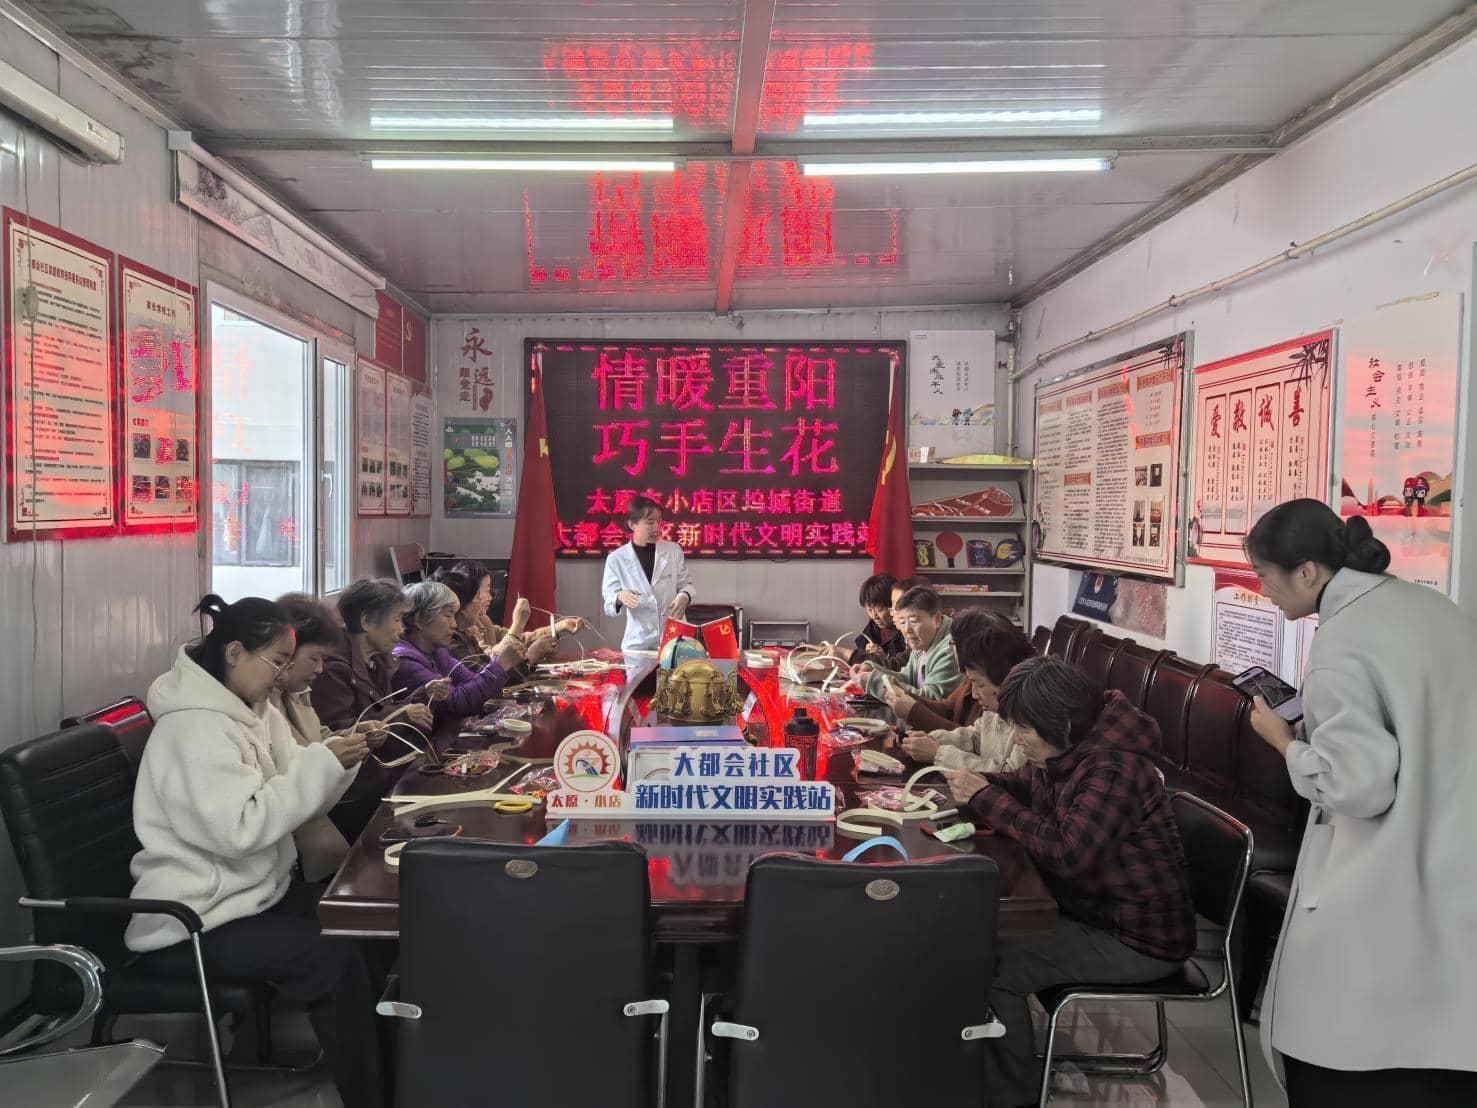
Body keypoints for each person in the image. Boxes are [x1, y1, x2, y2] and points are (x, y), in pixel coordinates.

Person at [1242, 499, 1477, 1105]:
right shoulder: (1429, 606)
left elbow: (1359, 787)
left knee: (1349, 1044)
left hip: (1384, 866)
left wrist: (1286, 743)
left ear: (1306, 572)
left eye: (1264, 575)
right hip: (1457, 852)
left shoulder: (1342, 641)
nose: (1263, 590)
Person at [126, 595, 390, 1108]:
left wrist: (339, 758)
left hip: (251, 894)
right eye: (277, 662)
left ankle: (396, 1066)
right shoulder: (192, 728)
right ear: (234, 653)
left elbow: (300, 799)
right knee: (332, 957)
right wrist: (321, 764)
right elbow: (240, 830)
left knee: (364, 924)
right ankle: (373, 1094)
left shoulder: (253, 710)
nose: (284, 675)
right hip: (194, 917)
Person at [942, 656, 1195, 1108]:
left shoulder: (1115, 769)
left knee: (993, 965)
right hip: (1095, 912)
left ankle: (1012, 1096)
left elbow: (1068, 852)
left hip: (1137, 938)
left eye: (1023, 729)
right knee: (976, 942)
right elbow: (1022, 786)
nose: (1017, 738)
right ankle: (980, 1069)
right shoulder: (1070, 748)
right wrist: (975, 788)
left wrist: (985, 798)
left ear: (1062, 724)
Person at [272, 594, 387, 877]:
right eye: (314, 658)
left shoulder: (296, 694)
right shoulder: (260, 706)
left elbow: (320, 737)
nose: (320, 669)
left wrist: (354, 734)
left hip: (318, 821)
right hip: (293, 844)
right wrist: (332, 755)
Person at [889, 609, 1033, 774]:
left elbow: (1009, 775)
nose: (974, 693)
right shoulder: (992, 702)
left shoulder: (1028, 716)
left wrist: (938, 753)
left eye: (978, 684)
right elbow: (976, 737)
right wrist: (933, 739)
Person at [392, 580, 523, 754]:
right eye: (448, 616)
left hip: (442, 742)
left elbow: (472, 683)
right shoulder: (404, 660)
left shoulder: (438, 651)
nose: (454, 624)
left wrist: (500, 667)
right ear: (419, 620)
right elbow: (458, 702)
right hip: (419, 755)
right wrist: (500, 664)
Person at [601, 495, 694, 652]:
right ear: (632, 524)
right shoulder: (616, 559)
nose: (657, 528)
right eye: (650, 523)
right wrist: (619, 597)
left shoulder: (673, 550)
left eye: (659, 522)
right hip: (638, 643)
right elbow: (609, 605)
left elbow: (686, 585)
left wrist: (684, 596)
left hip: (674, 639)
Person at [851, 585, 962, 702]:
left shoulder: (950, 648)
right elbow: (908, 678)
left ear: (937, 619)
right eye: (903, 622)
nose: (907, 630)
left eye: (914, 621)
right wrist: (872, 670)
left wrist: (875, 682)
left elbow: (930, 699)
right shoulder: (923, 642)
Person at [845, 572, 909, 668]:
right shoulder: (872, 629)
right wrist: (865, 654)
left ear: (893, 605)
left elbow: (905, 668)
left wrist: (884, 658)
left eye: (880, 609)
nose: (874, 616)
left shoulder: (907, 633)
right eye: (869, 610)